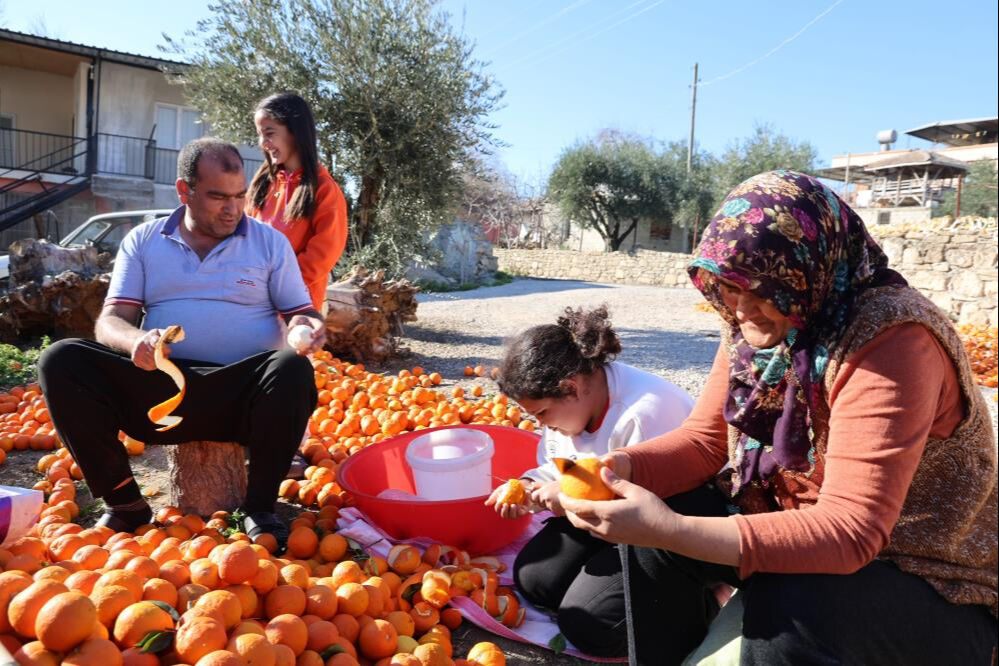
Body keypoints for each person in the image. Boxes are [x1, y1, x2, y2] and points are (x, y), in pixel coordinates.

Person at [556, 171, 997, 665]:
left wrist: (668, 528)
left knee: (787, 607)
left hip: (923, 570)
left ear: (807, 269)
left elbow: (852, 530)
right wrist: (616, 470)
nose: (743, 308)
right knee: (653, 532)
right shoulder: (754, 323)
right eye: (727, 286)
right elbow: (704, 443)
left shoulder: (891, 340)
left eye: (761, 287)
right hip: (796, 521)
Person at [38, 138, 327, 544]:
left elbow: (301, 310)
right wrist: (137, 340)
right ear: (184, 191)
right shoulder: (144, 240)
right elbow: (111, 321)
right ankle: (125, 506)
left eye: (240, 196)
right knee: (61, 360)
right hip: (161, 395)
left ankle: (259, 508)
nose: (233, 208)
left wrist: (306, 327)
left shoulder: (269, 243)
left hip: (245, 396)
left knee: (292, 369)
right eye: (217, 196)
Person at [486, 306, 694, 657]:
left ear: (571, 387)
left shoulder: (644, 413)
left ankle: (696, 601)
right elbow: (557, 467)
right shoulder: (571, 410)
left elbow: (645, 508)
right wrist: (529, 486)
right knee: (534, 580)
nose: (544, 425)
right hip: (602, 519)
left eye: (542, 414)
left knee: (590, 626)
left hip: (665, 531)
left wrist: (563, 496)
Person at [247, 92, 348, 312]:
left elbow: (324, 254)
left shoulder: (324, 189)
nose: (263, 143)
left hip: (295, 310)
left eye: (269, 133)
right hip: (253, 302)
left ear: (295, 132)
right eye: (259, 134)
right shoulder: (262, 182)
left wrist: (282, 288)